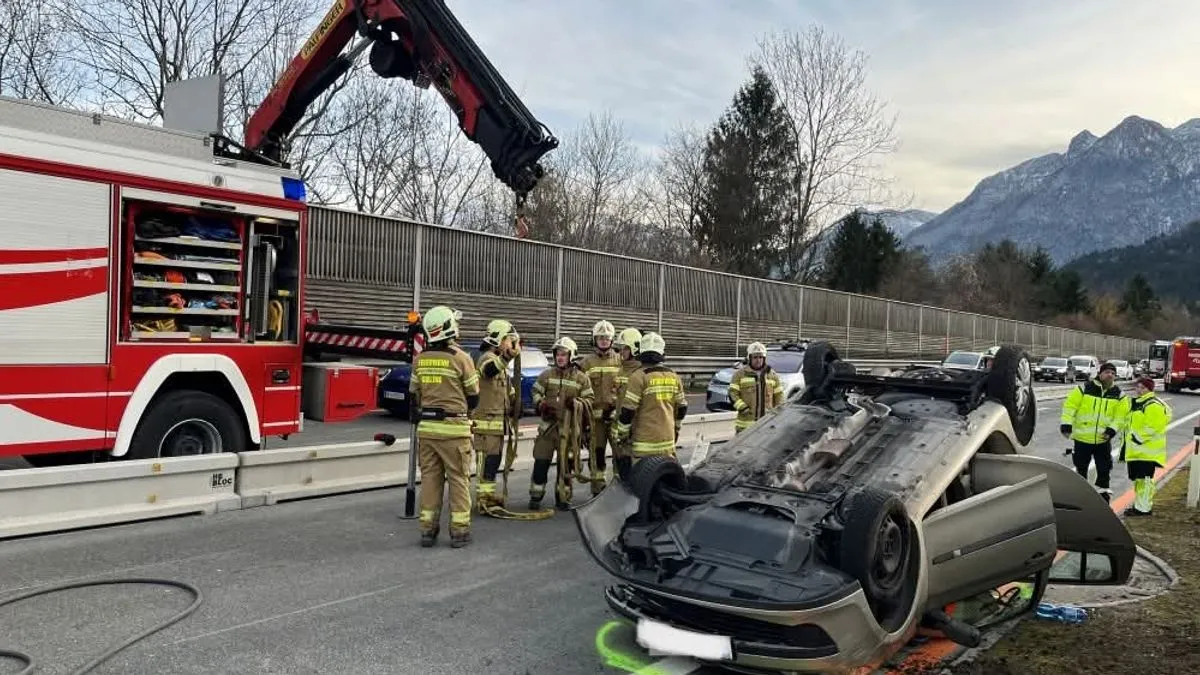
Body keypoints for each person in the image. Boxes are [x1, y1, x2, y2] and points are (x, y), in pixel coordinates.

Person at [409, 305, 480, 548]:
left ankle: (427, 531)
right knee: (459, 480)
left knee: (430, 480)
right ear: (449, 328)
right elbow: (474, 397)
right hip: (454, 430)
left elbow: (413, 395)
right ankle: (460, 532)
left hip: (427, 430)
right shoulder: (461, 358)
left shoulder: (420, 360)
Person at [530, 336, 594, 510]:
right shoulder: (546, 375)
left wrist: (577, 403)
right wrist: (540, 404)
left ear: (571, 356)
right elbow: (535, 391)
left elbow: (590, 400)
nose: (560, 357)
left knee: (565, 467)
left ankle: (563, 498)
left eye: (564, 354)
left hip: (569, 431)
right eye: (557, 354)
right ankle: (536, 496)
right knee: (541, 462)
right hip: (547, 429)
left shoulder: (582, 378)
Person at [614, 332, 688, 465]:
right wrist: (676, 429)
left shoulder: (638, 377)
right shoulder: (674, 376)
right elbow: (682, 408)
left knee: (642, 482)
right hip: (667, 443)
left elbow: (627, 412)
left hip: (643, 446)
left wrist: (622, 435)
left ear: (641, 352)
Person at [1060, 361, 1126, 502]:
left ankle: (1103, 498)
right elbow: (1069, 407)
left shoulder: (1119, 394)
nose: (1110, 375)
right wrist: (1066, 425)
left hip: (1103, 440)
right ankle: (1080, 497)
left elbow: (1120, 417)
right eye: (1107, 372)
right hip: (1082, 439)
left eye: (1113, 373)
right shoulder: (1084, 389)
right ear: (1100, 373)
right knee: (1081, 469)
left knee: (1104, 469)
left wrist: (1111, 430)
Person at [472, 319, 520, 512]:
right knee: (486, 464)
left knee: (493, 462)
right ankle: (483, 500)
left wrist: (515, 401)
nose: (511, 344)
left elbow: (504, 388)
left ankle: (488, 497)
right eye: (509, 339)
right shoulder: (487, 358)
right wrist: (507, 358)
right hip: (486, 425)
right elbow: (489, 371)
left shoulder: (500, 362)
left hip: (497, 424)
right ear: (500, 339)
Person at [1118, 377, 1172, 516]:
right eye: (1138, 387)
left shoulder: (1152, 404)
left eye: (1143, 388)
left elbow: (1153, 426)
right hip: (1137, 451)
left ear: (1150, 389)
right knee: (1139, 481)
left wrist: (1137, 438)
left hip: (1146, 452)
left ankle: (1144, 508)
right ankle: (1139, 506)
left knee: (1145, 481)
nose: (1140, 390)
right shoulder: (1137, 403)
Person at [580, 320, 622, 495]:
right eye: (600, 338)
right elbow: (580, 391)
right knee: (597, 455)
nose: (604, 341)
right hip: (594, 420)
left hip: (616, 419)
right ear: (594, 339)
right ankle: (598, 491)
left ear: (612, 340)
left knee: (621, 455)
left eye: (607, 338)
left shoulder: (620, 361)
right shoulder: (586, 363)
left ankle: (621, 489)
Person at [728, 341, 784, 433]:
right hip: (745, 426)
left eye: (761, 357)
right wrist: (742, 407)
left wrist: (778, 414)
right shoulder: (739, 374)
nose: (758, 360)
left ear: (764, 358)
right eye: (755, 357)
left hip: (767, 425)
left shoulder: (773, 375)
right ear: (749, 358)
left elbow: (779, 397)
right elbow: (732, 393)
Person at [610, 327, 643, 481]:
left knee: (634, 470)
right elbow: (616, 397)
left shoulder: (640, 372)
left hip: (634, 430)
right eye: (620, 349)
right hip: (620, 427)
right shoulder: (621, 370)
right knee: (620, 467)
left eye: (624, 349)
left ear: (634, 349)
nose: (620, 352)